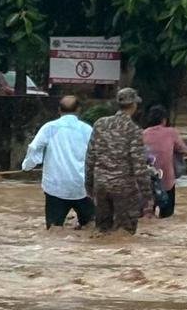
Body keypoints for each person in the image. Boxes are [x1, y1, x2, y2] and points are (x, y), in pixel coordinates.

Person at [84, 87, 153, 234]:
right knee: (124, 233)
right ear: (134, 105)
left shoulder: (100, 124)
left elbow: (90, 156)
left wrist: (89, 184)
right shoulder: (133, 129)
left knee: (102, 231)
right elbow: (139, 165)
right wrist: (147, 194)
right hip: (124, 188)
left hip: (101, 184)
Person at [20, 94, 94, 229]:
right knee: (90, 226)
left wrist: (27, 166)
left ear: (59, 110)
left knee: (54, 229)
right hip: (81, 186)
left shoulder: (49, 128)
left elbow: (34, 148)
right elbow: (96, 154)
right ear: (78, 110)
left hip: (56, 187)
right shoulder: (87, 130)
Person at [142, 106, 187, 219]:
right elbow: (184, 149)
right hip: (167, 179)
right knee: (167, 217)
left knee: (147, 216)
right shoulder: (171, 132)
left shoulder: (142, 134)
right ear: (164, 119)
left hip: (146, 179)